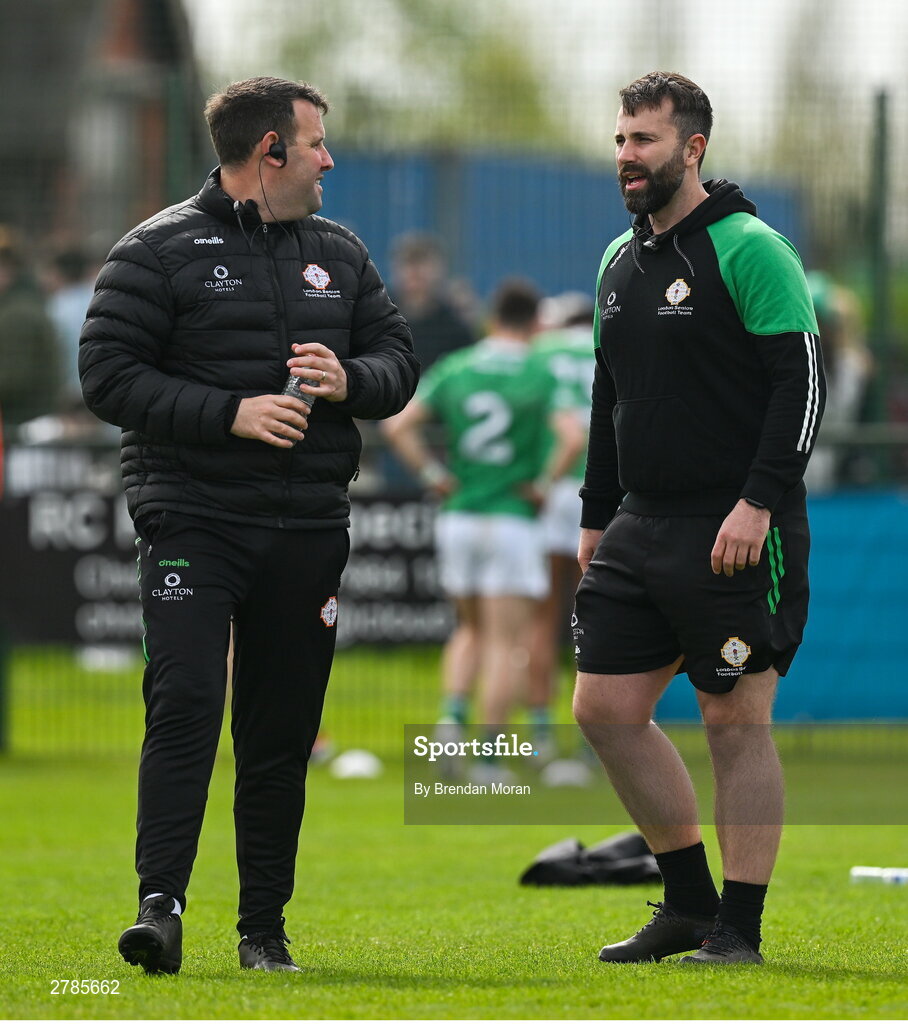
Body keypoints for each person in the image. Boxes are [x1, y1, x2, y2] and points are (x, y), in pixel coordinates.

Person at [79, 76, 418, 975]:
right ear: (269, 151)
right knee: (186, 699)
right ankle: (161, 908)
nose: (328, 160)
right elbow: (107, 377)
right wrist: (228, 411)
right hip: (192, 514)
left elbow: (399, 363)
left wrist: (352, 379)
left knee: (280, 731)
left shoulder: (340, 252)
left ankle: (263, 935)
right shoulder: (153, 251)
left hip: (308, 523)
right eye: (316, 143)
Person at [571, 72, 825, 965]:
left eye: (643, 140)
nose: (626, 157)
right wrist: (595, 518)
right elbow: (609, 399)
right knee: (603, 709)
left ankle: (739, 932)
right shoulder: (615, 261)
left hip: (737, 526)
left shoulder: (752, 249)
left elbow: (801, 388)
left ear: (693, 148)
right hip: (639, 525)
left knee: (734, 724)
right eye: (619, 139)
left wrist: (757, 502)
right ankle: (686, 901)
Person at [383, 279, 582, 763]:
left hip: (460, 516)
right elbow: (573, 437)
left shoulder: (459, 366)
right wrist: (542, 482)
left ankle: (450, 725)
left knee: (468, 630)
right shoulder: (539, 370)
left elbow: (397, 425)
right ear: (536, 323)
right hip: (512, 519)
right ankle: (488, 755)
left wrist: (433, 473)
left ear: (492, 319)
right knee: (505, 641)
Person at [527, 293, 596, 753]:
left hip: (551, 488)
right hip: (602, 494)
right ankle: (600, 734)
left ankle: (539, 734)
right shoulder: (605, 341)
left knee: (541, 615)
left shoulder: (541, 351)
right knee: (599, 615)